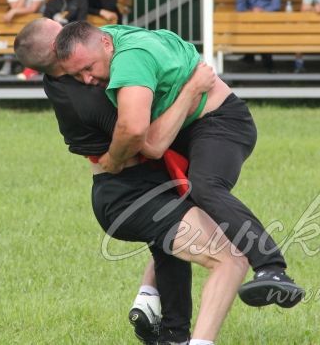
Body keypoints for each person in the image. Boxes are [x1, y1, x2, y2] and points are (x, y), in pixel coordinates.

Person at [15, 18, 251, 344]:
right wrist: (192, 88)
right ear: (60, 53)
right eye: (65, 33)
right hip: (129, 194)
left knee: (174, 245)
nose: (75, 32)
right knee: (231, 259)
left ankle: (157, 312)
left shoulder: (66, 81)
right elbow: (143, 135)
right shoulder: (89, 95)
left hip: (134, 189)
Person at [55, 22, 304, 311]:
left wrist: (113, 159)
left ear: (106, 45)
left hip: (221, 124)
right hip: (189, 129)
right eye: (77, 75)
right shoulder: (108, 36)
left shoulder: (129, 59)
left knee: (205, 187)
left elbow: (147, 141)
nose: (87, 79)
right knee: (169, 214)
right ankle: (156, 309)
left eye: (88, 68)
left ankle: (272, 268)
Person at [235, 0, 281, 71]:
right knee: (249, 23)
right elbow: (240, 7)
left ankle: (252, 58)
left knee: (266, 25)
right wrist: (252, 12)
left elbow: (276, 5)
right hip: (248, 22)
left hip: (270, 21)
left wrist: (262, 12)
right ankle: (264, 60)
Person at [0, 0, 46, 76]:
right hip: (19, 22)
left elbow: (34, 9)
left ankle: (32, 67)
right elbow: (15, 7)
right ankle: (8, 62)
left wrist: (13, 12)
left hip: (35, 22)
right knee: (10, 29)